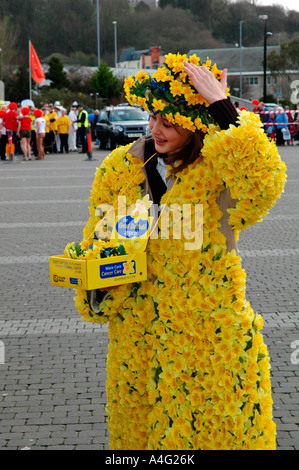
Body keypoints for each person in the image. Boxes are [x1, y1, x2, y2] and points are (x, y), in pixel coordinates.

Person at [65, 53, 286, 450]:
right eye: (153, 118)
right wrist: (96, 278)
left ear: (195, 124)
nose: (156, 128)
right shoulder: (122, 166)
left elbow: (263, 182)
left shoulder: (220, 171)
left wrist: (223, 108)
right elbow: (98, 236)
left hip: (207, 341)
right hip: (137, 341)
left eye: (169, 121)